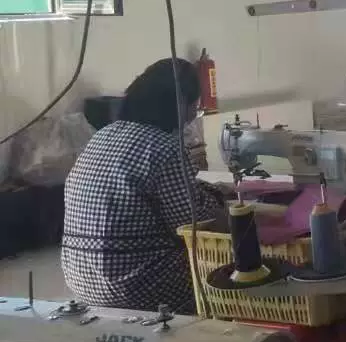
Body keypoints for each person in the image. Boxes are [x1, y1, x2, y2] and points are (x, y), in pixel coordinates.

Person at [62, 58, 225, 313]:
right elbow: (192, 226)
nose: (193, 115)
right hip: (134, 285)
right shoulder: (165, 147)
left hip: (81, 280)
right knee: (232, 260)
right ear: (181, 103)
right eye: (195, 105)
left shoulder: (103, 135)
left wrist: (203, 192)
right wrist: (223, 207)